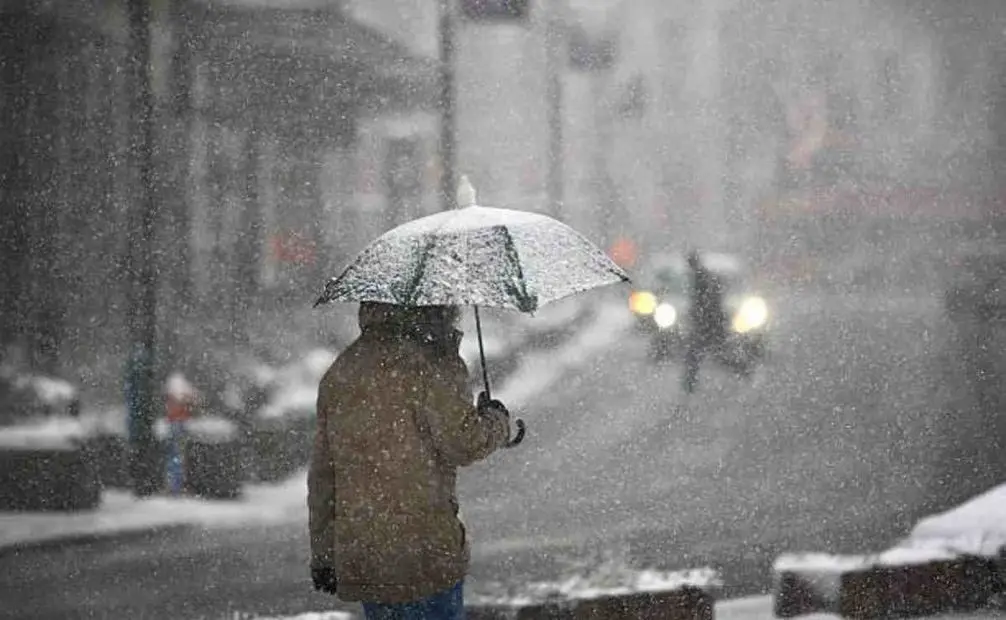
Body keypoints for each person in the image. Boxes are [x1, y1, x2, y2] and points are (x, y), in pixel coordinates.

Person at [308, 302, 512, 619]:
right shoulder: (433, 362)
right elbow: (464, 443)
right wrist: (496, 420)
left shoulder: (343, 369)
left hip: (367, 555)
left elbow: (323, 475)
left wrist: (323, 554)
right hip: (425, 552)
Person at [683, 250, 727, 393]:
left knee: (695, 353)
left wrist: (698, 315)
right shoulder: (703, 276)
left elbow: (703, 301)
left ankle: (690, 383)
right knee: (705, 351)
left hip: (707, 322)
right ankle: (690, 382)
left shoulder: (700, 278)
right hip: (709, 322)